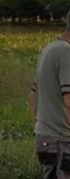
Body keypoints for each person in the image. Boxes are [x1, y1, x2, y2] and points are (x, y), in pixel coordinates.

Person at [30, 12, 70, 178]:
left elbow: (32, 96)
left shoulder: (48, 49)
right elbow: (69, 101)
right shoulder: (66, 53)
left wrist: (38, 129)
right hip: (61, 140)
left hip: (45, 137)